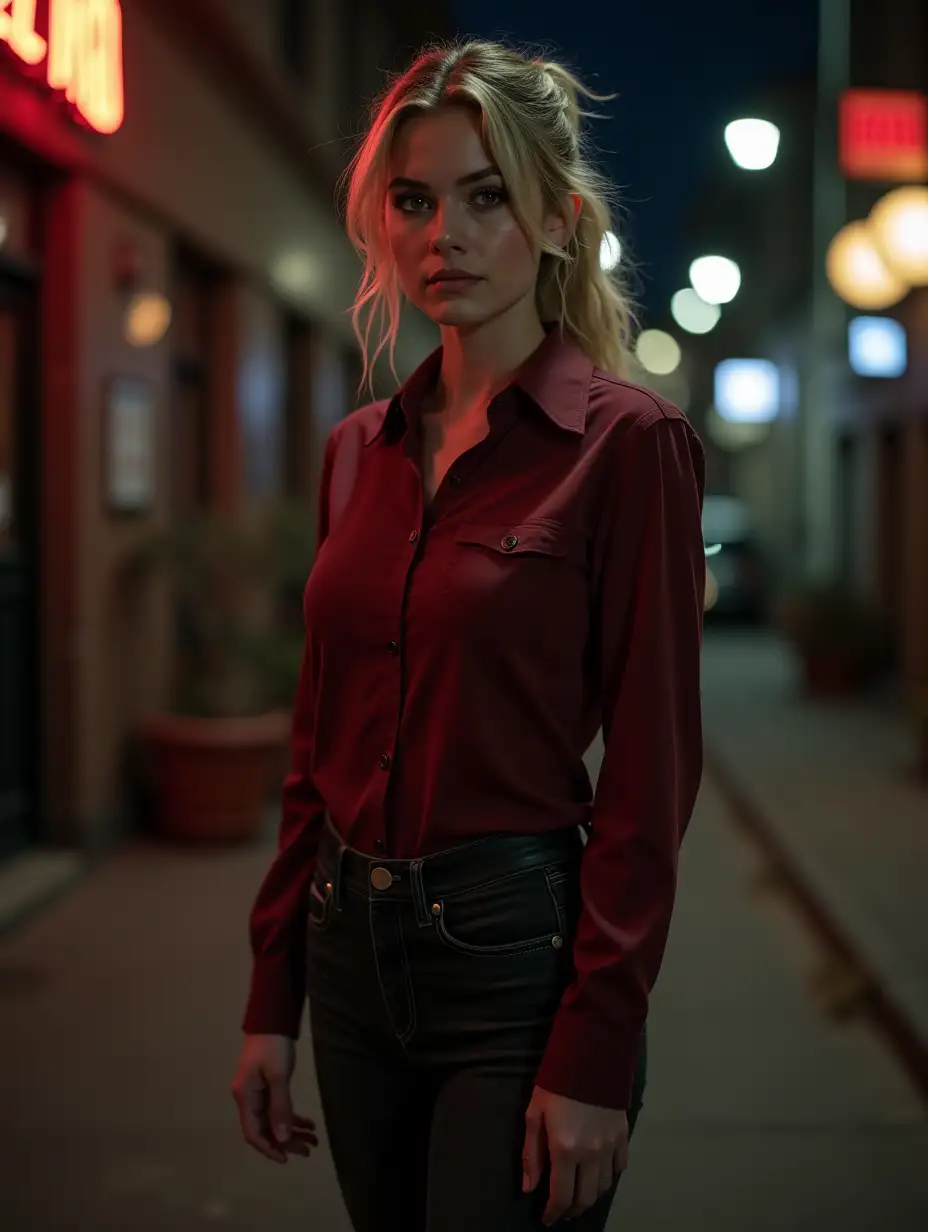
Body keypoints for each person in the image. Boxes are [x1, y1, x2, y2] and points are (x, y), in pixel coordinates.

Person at [231, 37, 705, 1232]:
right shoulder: (357, 451)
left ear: (557, 221)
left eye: (486, 196)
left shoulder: (627, 445)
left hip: (515, 964)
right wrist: (269, 992)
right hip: (347, 959)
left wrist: (598, 1046)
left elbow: (651, 776)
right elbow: (316, 740)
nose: (445, 232)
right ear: (385, 224)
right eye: (415, 199)